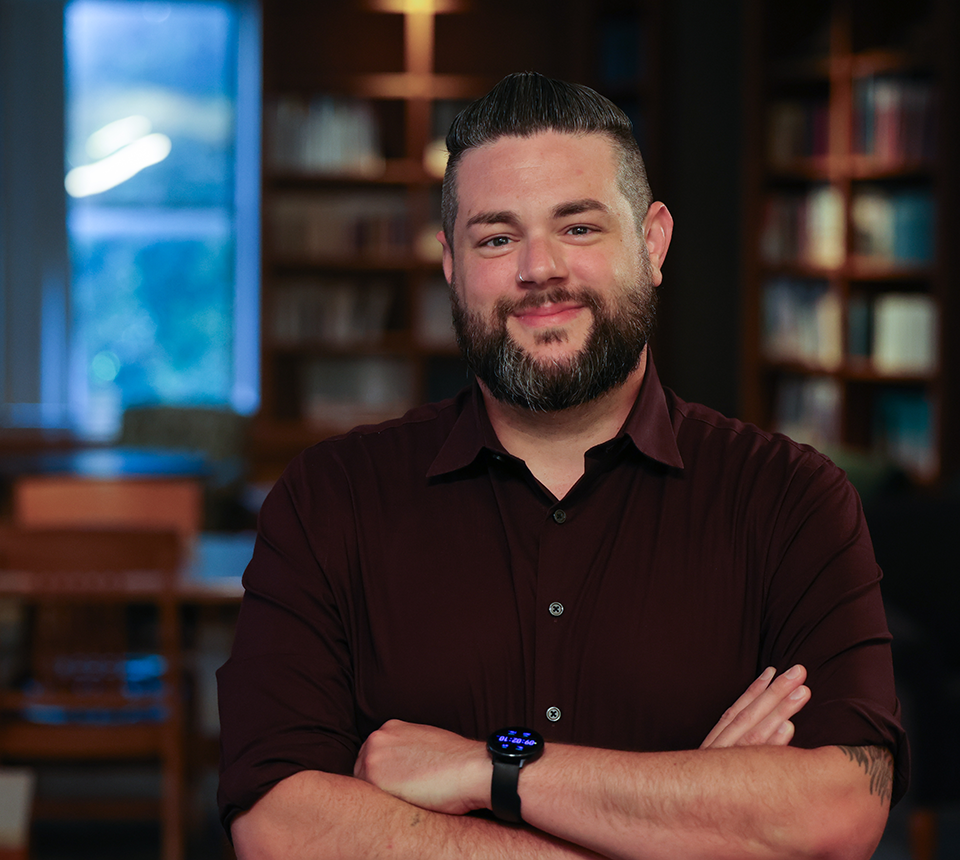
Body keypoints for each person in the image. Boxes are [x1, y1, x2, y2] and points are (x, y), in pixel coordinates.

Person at [218, 72, 907, 859]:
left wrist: (487, 769)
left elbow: (841, 810)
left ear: (652, 243)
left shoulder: (791, 501)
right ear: (450, 264)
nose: (539, 269)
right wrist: (683, 824)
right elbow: (278, 827)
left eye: (578, 228)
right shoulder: (328, 500)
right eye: (496, 237)